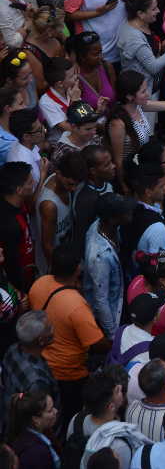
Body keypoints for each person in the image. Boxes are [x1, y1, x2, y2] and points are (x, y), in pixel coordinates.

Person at [26, 243, 109, 425]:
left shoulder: (39, 284)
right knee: (72, 416)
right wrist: (113, 341)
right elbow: (97, 343)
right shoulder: (77, 306)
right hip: (71, 375)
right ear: (77, 268)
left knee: (56, 414)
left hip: (44, 365)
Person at [83, 193, 137, 338]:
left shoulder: (105, 226)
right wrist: (113, 335)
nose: (130, 212)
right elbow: (101, 300)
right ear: (113, 219)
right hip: (112, 313)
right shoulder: (99, 256)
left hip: (118, 292)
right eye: (126, 212)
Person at [8, 391, 65, 469]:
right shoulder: (37, 453)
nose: (55, 411)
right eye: (50, 410)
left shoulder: (41, 433)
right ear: (36, 419)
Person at [0, 311, 58, 414]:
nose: (53, 329)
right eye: (49, 328)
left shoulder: (12, 349)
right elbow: (39, 416)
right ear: (41, 340)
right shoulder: (37, 381)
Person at [0, 162, 36, 292]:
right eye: (30, 182)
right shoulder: (9, 225)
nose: (34, 183)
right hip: (20, 285)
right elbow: (11, 264)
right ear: (19, 190)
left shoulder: (18, 204)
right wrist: (19, 292)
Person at [70, 31, 116, 112]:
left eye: (101, 52)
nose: (101, 57)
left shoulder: (107, 67)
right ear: (82, 57)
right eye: (95, 54)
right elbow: (79, 113)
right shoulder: (75, 80)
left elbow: (116, 99)